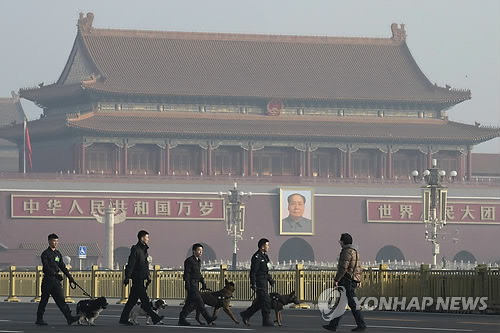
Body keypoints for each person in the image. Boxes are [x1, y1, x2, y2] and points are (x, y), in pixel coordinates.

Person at [323, 233, 367, 332]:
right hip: (352, 280)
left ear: (343, 242)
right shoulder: (355, 251)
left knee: (352, 304)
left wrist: (336, 279)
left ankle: (362, 325)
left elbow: (343, 268)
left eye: (340, 241)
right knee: (341, 304)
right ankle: (333, 325)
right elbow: (358, 268)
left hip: (347, 280)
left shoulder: (346, 252)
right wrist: (358, 280)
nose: (340, 243)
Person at [119, 230, 164, 326]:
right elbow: (131, 264)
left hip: (142, 278)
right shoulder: (136, 250)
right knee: (145, 301)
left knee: (131, 301)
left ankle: (123, 318)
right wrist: (127, 277)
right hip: (137, 279)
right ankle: (155, 318)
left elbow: (145, 265)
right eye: (147, 237)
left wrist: (148, 276)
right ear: (142, 238)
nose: (148, 239)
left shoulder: (144, 251)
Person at [35, 233, 79, 326]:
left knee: (61, 300)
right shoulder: (45, 254)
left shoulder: (58, 254)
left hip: (56, 281)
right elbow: (46, 267)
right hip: (48, 280)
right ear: (49, 241)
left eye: (57, 241)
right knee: (44, 300)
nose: (56, 243)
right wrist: (55, 274)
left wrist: (70, 278)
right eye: (54, 241)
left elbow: (62, 266)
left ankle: (69, 318)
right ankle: (39, 318)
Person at [178, 243, 217, 326]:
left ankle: (182, 318)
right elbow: (187, 274)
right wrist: (187, 285)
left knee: (190, 304)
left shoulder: (198, 261)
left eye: (201, 250)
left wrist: (203, 282)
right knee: (200, 302)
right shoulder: (189, 261)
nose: (200, 252)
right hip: (191, 285)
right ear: (194, 251)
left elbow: (198, 274)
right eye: (199, 250)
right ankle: (208, 318)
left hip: (196, 284)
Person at [240, 238, 275, 327]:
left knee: (261, 302)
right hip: (259, 283)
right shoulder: (256, 257)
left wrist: (270, 280)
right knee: (266, 301)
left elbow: (266, 271)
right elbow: (253, 272)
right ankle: (266, 320)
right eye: (267, 245)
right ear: (262, 246)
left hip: (265, 282)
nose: (268, 247)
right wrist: (253, 283)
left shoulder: (265, 257)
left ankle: (246, 314)